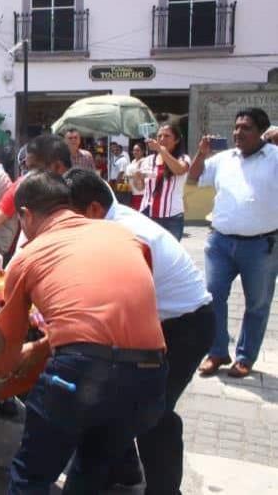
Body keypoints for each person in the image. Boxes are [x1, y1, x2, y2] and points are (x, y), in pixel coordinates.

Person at [0, 171, 167, 494]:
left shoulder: (30, 255)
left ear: (26, 215)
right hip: (149, 375)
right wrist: (44, 347)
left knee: (31, 474)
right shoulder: (124, 236)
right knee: (92, 468)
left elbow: (7, 340)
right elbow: (115, 315)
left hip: (80, 374)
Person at [65, 167, 214, 494]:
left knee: (154, 414)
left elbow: (127, 305)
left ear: (93, 209)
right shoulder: (108, 224)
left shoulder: (129, 236)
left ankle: (164, 490)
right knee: (113, 399)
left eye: (70, 218)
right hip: (160, 321)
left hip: (186, 327)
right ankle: (125, 470)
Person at [189, 108, 278, 378]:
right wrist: (201, 153)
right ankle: (217, 352)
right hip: (219, 243)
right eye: (236, 127)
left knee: (257, 305)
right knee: (213, 297)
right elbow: (194, 177)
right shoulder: (224, 158)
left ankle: (245, 357)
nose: (238, 132)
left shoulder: (275, 158)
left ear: (261, 132)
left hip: (261, 246)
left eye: (246, 127)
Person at [0, 134, 71, 255]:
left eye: (35, 168)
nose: (29, 175)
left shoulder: (80, 189)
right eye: (27, 168)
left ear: (57, 167)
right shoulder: (23, 186)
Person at [132, 124, 191, 241]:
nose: (162, 139)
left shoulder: (183, 158)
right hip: (148, 215)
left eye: (167, 136)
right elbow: (140, 188)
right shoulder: (148, 160)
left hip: (171, 218)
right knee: (149, 254)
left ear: (177, 140)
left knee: (170, 255)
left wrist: (160, 149)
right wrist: (137, 178)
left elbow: (179, 170)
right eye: (159, 136)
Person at [124, 143, 145, 210]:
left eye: (138, 150)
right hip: (131, 194)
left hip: (141, 194)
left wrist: (130, 176)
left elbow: (144, 175)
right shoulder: (132, 162)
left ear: (143, 151)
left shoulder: (145, 161)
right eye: (134, 150)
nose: (135, 152)